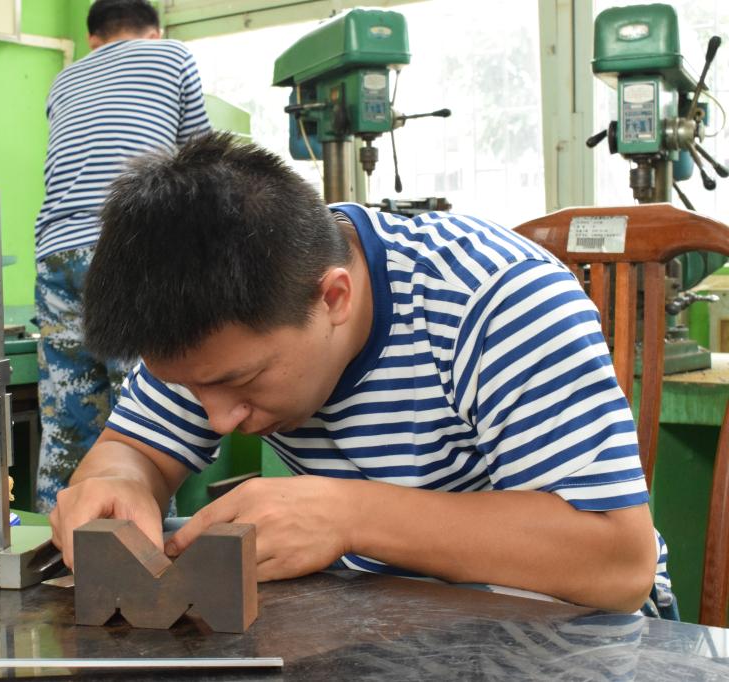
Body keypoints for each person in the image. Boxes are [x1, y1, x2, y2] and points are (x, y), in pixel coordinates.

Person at [49, 131, 670, 614]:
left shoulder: (497, 298)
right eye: (190, 389)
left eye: (242, 383)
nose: (219, 420)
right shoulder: (210, 327)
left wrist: (347, 517)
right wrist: (117, 483)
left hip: (571, 632)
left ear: (334, 298)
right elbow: (134, 451)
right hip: (383, 621)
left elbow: (618, 565)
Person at [33, 0, 211, 512]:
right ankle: (146, 542)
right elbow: (201, 164)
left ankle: (52, 541)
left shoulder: (64, 79)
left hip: (56, 252)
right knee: (148, 420)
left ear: (94, 38)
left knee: (68, 418)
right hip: (131, 244)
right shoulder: (172, 56)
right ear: (154, 31)